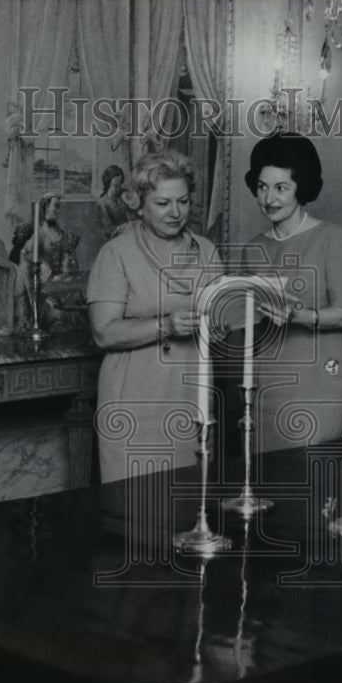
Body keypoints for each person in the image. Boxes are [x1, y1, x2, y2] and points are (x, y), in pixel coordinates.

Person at [87, 150, 223, 483]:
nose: (176, 213)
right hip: (133, 405)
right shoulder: (116, 253)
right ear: (139, 204)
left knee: (192, 511)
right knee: (134, 512)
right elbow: (104, 332)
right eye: (163, 204)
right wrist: (166, 325)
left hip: (192, 401)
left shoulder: (206, 251)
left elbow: (221, 320)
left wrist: (221, 323)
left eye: (184, 201)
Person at [240, 132, 342, 453]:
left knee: (316, 485)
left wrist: (300, 315)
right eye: (262, 186)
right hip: (266, 386)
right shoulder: (253, 248)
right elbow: (247, 320)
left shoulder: (330, 238)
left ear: (302, 188)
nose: (269, 198)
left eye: (281, 187)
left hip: (320, 385)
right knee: (269, 485)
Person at [96, 165, 132, 240]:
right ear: (109, 183)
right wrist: (129, 226)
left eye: (120, 184)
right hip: (114, 242)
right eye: (115, 184)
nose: (118, 187)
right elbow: (109, 230)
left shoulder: (124, 195)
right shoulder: (102, 202)